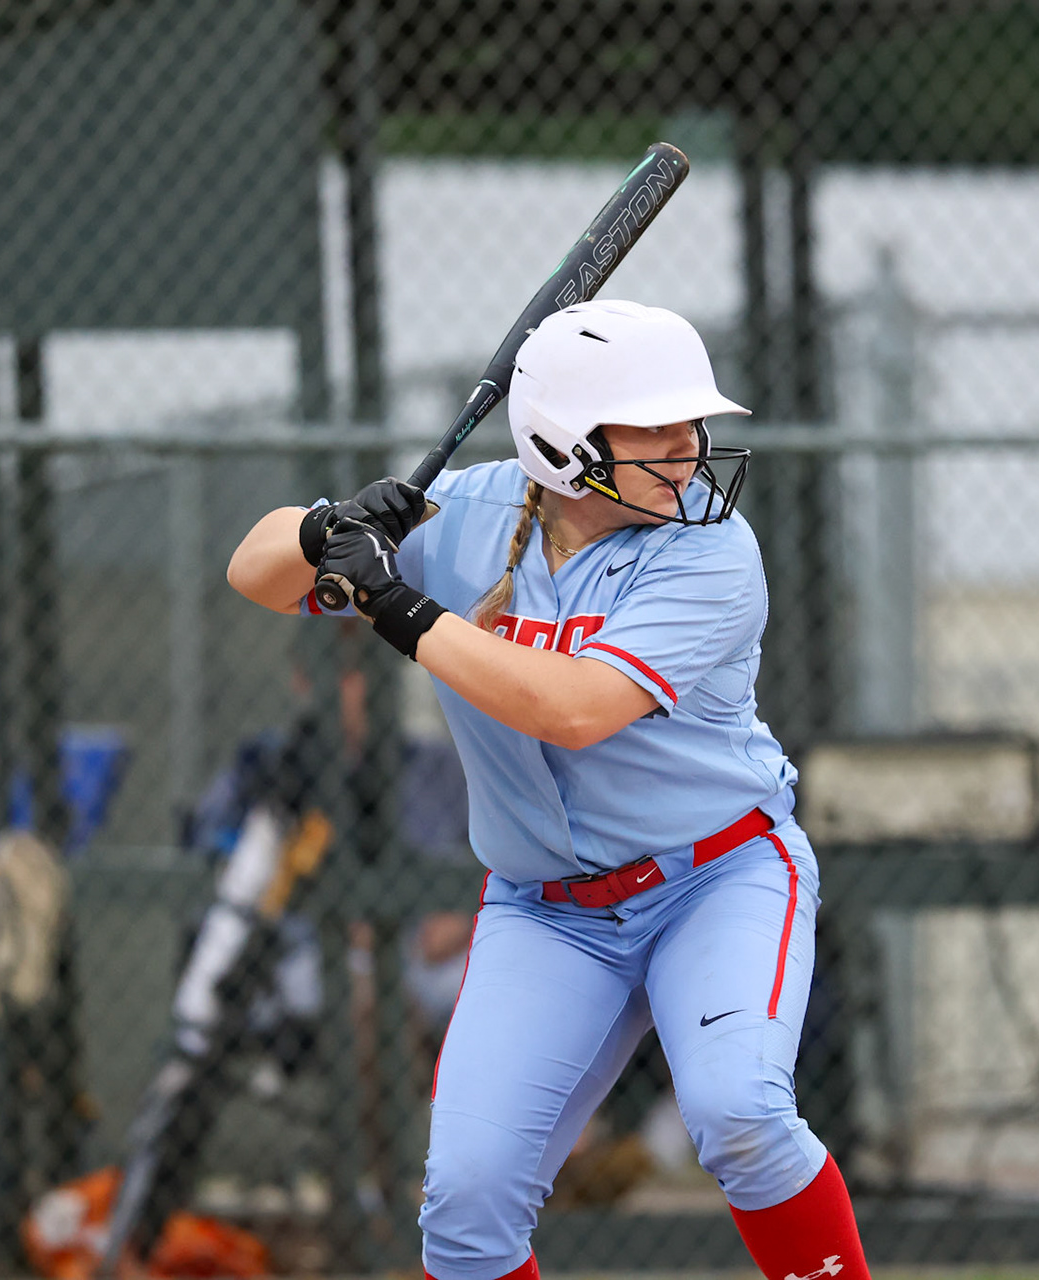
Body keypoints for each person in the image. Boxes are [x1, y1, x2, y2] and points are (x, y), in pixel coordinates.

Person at [227, 300, 871, 1280]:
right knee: (467, 1199)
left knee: (738, 1112)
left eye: (691, 422)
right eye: (652, 425)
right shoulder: (470, 515)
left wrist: (398, 604)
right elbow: (256, 571)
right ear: (565, 442)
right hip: (548, 909)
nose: (688, 446)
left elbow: (568, 707)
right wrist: (330, 528)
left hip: (717, 875)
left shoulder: (712, 551)